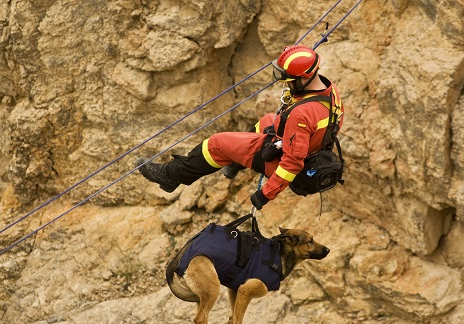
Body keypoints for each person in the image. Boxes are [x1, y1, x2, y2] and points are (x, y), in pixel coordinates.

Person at [137, 45, 344, 210]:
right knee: (267, 120)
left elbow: (292, 164)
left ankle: (171, 176)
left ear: (305, 78)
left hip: (285, 162)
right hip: (311, 147)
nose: (287, 85)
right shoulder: (329, 90)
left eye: (290, 82)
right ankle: (237, 161)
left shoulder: (301, 115)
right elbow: (319, 125)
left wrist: (265, 194)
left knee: (217, 144)